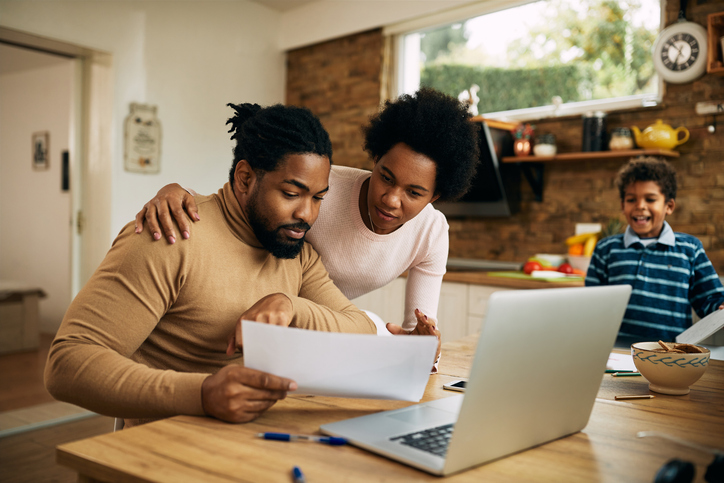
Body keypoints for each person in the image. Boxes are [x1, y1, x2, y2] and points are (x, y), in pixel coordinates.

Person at [45, 102, 436, 429]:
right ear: (245, 177)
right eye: (291, 193)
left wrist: (290, 304)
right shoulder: (170, 233)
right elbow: (67, 363)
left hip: (249, 445)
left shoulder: (294, 252)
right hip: (159, 449)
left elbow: (360, 329)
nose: (307, 214)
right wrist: (202, 393)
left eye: (319, 198)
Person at [134, 89, 480, 347]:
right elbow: (240, 204)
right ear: (374, 159)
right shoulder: (324, 190)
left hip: (323, 325)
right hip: (254, 313)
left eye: (414, 192)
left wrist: (425, 344)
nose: (390, 199)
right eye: (385, 177)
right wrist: (177, 191)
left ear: (435, 196)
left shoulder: (431, 233)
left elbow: (414, 334)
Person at [586, 157, 724, 342]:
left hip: (671, 357)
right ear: (622, 205)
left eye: (650, 199)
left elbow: (710, 300)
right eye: (631, 199)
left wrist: (720, 306)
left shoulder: (690, 249)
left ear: (669, 206)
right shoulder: (606, 249)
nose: (640, 206)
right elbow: (590, 306)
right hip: (616, 353)